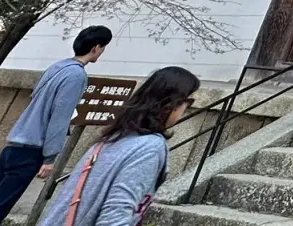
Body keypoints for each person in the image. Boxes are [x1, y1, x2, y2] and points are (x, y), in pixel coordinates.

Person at [0, 25, 112, 226]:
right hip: (32, 150)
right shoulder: (76, 75)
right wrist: (50, 157)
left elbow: (36, 96)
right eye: (103, 48)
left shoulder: (58, 67)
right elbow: (59, 117)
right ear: (96, 48)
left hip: (15, 144)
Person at [34, 64, 197, 226]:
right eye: (188, 101)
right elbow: (115, 216)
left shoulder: (113, 137)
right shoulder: (150, 147)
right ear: (173, 103)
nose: (186, 108)